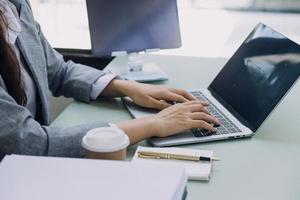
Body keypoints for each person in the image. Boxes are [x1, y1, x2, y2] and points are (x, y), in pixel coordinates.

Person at [0, 0, 219, 158]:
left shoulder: (15, 6)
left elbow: (59, 71)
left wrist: (130, 88)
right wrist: (152, 124)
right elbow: (32, 143)